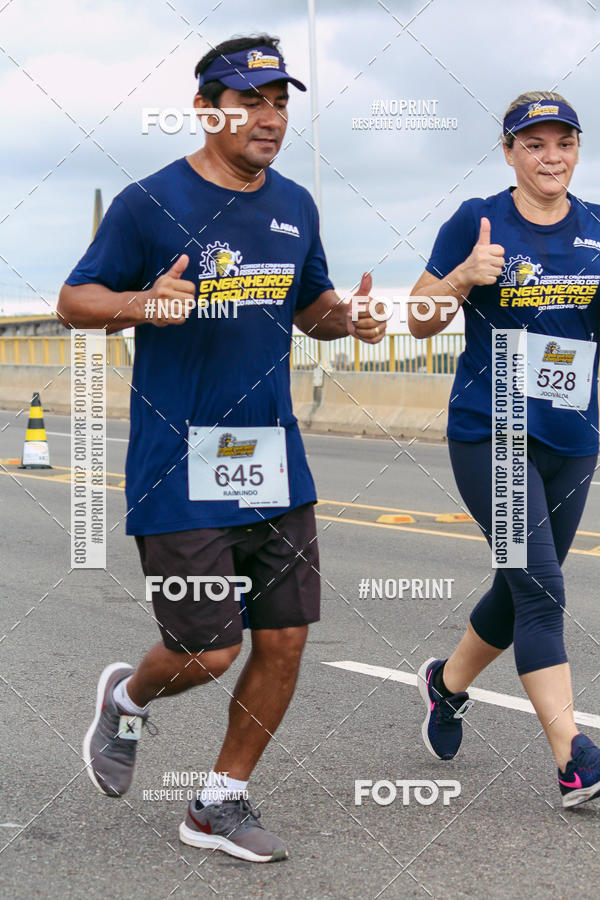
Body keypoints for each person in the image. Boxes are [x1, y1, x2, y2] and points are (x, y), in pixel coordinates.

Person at [57, 34, 384, 862]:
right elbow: (73, 299)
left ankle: (217, 802)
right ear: (207, 109)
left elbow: (310, 306)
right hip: (178, 462)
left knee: (285, 639)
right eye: (251, 100)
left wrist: (352, 321)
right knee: (209, 648)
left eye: (281, 102)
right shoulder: (149, 203)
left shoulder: (298, 205)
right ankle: (128, 698)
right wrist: (140, 302)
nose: (270, 118)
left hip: (272, 458)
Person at [408, 91, 600, 808]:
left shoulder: (597, 229)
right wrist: (460, 279)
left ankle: (447, 685)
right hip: (492, 430)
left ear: (576, 148)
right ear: (510, 151)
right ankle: (574, 758)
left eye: (563, 142)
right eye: (534, 143)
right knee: (544, 589)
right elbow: (419, 320)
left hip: (575, 436)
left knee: (520, 587)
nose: (551, 157)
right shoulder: (477, 220)